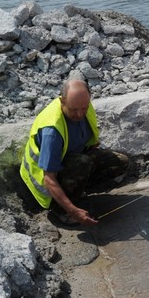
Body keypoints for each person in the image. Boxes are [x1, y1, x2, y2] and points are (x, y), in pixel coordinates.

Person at [20, 78, 129, 226]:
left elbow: (89, 141)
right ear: (62, 101)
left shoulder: (83, 105)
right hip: (47, 184)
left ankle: (78, 192)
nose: (79, 114)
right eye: (74, 110)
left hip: (72, 161)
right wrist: (73, 210)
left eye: (83, 108)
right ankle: (61, 209)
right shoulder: (52, 131)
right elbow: (48, 179)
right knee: (82, 163)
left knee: (121, 163)